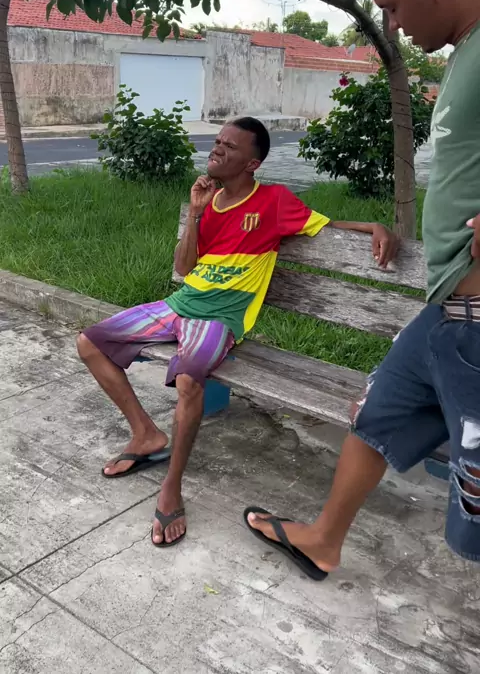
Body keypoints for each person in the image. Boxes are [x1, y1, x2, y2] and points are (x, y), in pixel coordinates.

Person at [244, 0, 480, 580]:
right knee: (378, 410)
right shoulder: (466, 52)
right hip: (447, 312)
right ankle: (323, 538)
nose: (394, 26)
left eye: (394, 8)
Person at [77, 116, 398, 547]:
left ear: (252, 163)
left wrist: (374, 226)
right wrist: (195, 213)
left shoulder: (274, 201)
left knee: (189, 380)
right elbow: (184, 269)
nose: (217, 149)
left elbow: (326, 226)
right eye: (217, 142)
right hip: (181, 303)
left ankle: (171, 487)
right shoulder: (209, 202)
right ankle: (146, 434)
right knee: (90, 342)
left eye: (230, 146)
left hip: (219, 318)